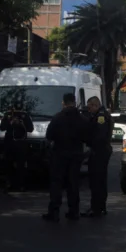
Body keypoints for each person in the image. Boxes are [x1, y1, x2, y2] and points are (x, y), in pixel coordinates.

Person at [43, 92, 87, 221]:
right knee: (73, 183)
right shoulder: (82, 119)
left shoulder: (57, 118)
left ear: (63, 102)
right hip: (76, 155)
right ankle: (74, 211)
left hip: (59, 155)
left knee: (57, 183)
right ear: (74, 102)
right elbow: (87, 137)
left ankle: (54, 211)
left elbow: (49, 136)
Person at [82, 96, 113, 216]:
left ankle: (97, 208)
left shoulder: (100, 117)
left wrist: (89, 142)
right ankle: (99, 207)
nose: (89, 109)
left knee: (96, 181)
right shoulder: (101, 114)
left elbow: (100, 136)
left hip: (99, 152)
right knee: (99, 180)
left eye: (90, 107)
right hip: (101, 151)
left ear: (95, 105)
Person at [0, 104, 34, 191]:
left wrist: (21, 124)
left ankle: (21, 184)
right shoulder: (7, 115)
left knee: (21, 164)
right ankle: (9, 183)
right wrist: (9, 123)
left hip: (21, 143)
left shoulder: (24, 115)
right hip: (9, 142)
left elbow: (30, 128)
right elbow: (1, 127)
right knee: (8, 163)